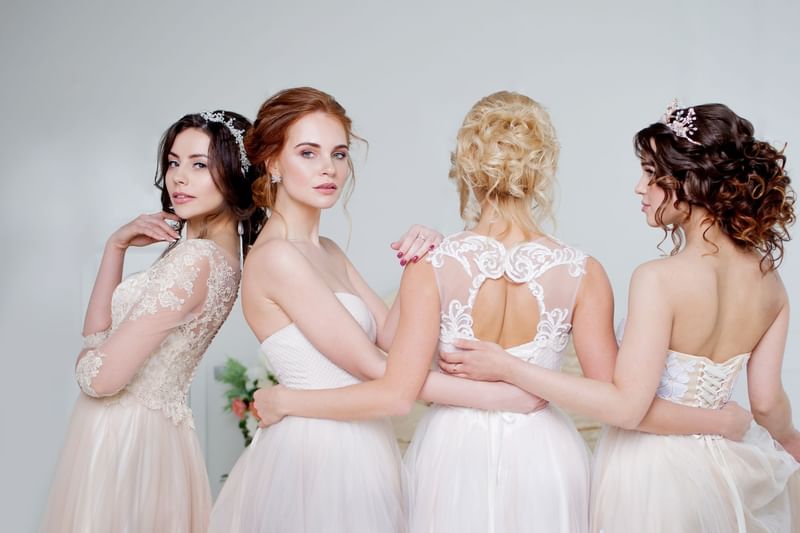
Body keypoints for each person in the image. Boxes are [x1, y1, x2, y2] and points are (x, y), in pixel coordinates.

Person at [251, 92, 751, 533]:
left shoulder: (435, 266)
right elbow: (614, 396)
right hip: (546, 451)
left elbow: (395, 372)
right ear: (541, 170)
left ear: (466, 167)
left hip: (453, 448)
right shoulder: (584, 271)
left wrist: (420, 262)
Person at [441, 101, 800, 532]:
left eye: (650, 173)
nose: (640, 187)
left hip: (653, 473)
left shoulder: (659, 279)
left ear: (689, 183)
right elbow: (765, 401)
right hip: (729, 466)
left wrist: (507, 367)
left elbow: (626, 407)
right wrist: (789, 441)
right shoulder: (770, 284)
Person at [207, 87, 550, 533]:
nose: (328, 168)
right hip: (318, 453)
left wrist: (422, 258)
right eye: (308, 153)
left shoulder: (325, 249)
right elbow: (382, 372)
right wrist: (502, 397)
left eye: (339, 153)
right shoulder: (277, 258)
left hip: (362, 442)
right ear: (273, 162)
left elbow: (390, 335)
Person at [39, 110, 263, 533]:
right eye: (174, 162)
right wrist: (116, 246)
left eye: (200, 164)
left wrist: (87, 361)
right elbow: (98, 335)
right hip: (148, 434)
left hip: (126, 438)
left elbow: (99, 379)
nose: (179, 178)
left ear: (234, 173)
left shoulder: (196, 261)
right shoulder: (212, 258)